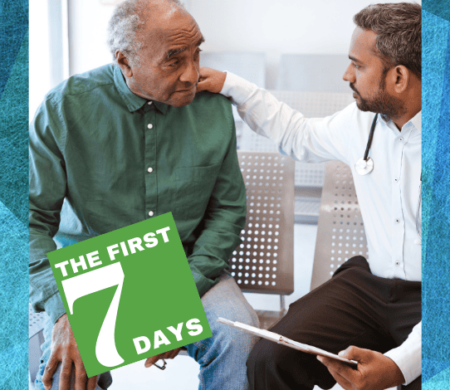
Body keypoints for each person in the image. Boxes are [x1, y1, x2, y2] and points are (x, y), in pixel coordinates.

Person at [29, 1, 259, 389]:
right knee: (63, 375)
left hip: (186, 267)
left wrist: (180, 292)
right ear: (125, 61)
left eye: (196, 53)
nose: (192, 73)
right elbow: (28, 223)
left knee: (240, 338)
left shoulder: (213, 108)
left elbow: (228, 211)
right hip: (93, 273)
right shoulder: (63, 108)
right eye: (173, 61)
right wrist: (65, 309)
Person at [197, 2, 421, 390]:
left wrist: (399, 366)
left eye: (359, 65)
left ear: (398, 77)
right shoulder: (363, 122)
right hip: (372, 287)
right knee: (271, 360)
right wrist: (230, 84)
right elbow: (297, 134)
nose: (346, 74)